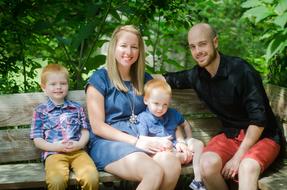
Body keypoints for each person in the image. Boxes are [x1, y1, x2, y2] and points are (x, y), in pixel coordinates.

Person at [164, 23, 283, 190]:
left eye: (202, 44)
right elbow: (165, 79)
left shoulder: (241, 71)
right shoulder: (197, 75)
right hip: (231, 134)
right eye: (193, 47)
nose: (198, 51)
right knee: (206, 164)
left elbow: (259, 120)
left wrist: (238, 157)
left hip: (264, 137)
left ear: (215, 42)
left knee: (246, 168)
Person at [85, 25, 181, 190]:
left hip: (143, 139)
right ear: (114, 47)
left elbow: (165, 113)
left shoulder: (144, 79)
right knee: (153, 172)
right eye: (123, 45)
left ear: (139, 51)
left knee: (171, 163)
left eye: (134, 47)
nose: (128, 52)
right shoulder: (99, 79)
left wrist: (181, 142)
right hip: (108, 143)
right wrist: (137, 141)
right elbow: (98, 127)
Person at [30, 64, 99, 190]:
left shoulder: (76, 108)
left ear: (67, 85)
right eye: (53, 84)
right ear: (44, 88)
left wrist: (79, 144)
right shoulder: (41, 111)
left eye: (63, 83)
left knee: (92, 178)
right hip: (54, 153)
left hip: (78, 152)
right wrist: (55, 147)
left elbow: (85, 132)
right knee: (57, 181)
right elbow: (37, 139)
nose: (58, 87)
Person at [134, 78, 205, 190]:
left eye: (165, 105)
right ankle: (184, 157)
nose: (160, 108)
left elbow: (184, 124)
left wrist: (187, 140)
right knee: (169, 153)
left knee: (198, 144)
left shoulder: (171, 113)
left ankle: (198, 180)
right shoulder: (143, 118)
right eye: (156, 103)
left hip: (177, 146)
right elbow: (142, 139)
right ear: (146, 100)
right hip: (160, 152)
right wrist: (163, 145)